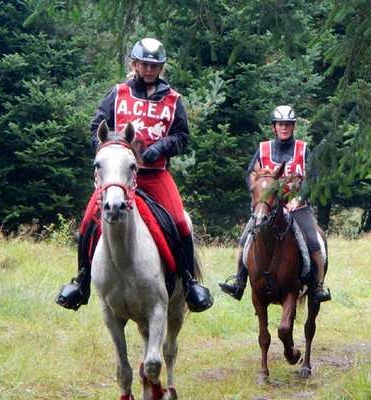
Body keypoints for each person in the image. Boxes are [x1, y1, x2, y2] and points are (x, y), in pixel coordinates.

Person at [57, 38, 213, 312]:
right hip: (117, 175)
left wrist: (160, 148)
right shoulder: (117, 93)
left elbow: (182, 136)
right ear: (135, 64)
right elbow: (96, 128)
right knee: (87, 222)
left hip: (154, 175)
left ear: (161, 67)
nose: (149, 70)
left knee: (179, 221)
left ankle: (189, 282)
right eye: (144, 64)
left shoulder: (173, 99)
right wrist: (107, 153)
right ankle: (81, 281)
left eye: (155, 65)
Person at [219, 105, 331, 302]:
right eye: (281, 124)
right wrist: (256, 194)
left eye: (288, 124)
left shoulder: (303, 149)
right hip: (268, 207)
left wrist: (299, 198)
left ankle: (318, 286)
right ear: (274, 127)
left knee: (314, 242)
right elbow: (250, 175)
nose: (284, 128)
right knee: (245, 240)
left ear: (293, 126)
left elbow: (313, 178)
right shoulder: (263, 149)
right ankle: (239, 282)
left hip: (297, 207)